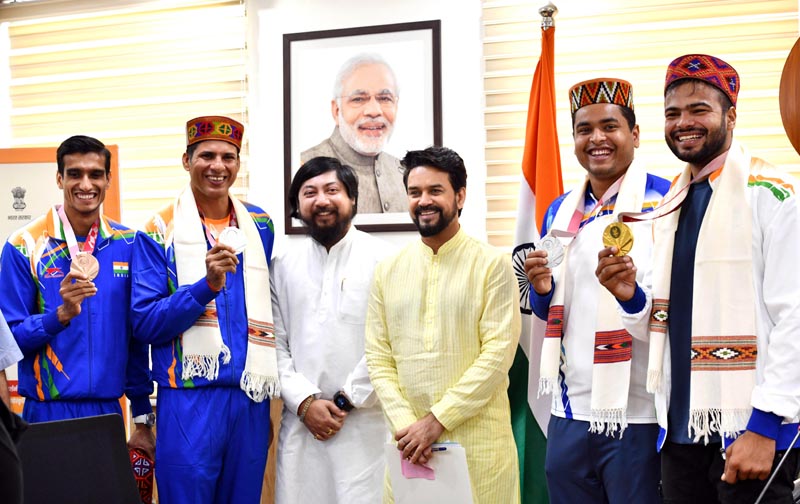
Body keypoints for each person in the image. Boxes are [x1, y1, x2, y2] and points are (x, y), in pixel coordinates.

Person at [597, 54, 800, 503]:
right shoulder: (670, 202)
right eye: (672, 113)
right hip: (681, 434)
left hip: (751, 432)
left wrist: (765, 426)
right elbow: (663, 326)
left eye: (698, 110)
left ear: (731, 114)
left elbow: (795, 319)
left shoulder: (774, 194)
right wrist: (630, 297)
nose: (683, 123)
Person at [524, 79, 669, 503]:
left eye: (610, 126)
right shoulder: (560, 208)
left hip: (638, 411)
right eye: (585, 129)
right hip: (569, 410)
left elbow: (672, 306)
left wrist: (630, 296)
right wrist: (541, 290)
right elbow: (549, 307)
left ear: (635, 134)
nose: (597, 138)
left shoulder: (666, 200)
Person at [130, 116, 278, 504]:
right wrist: (205, 287)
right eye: (207, 155)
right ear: (186, 160)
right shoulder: (157, 229)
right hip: (188, 397)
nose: (218, 166)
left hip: (250, 397)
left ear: (237, 164)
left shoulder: (259, 224)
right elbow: (145, 323)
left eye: (228, 157)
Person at [365, 146, 521, 503]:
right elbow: (378, 356)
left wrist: (436, 421)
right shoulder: (388, 271)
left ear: (460, 196)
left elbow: (497, 356)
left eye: (435, 190)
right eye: (415, 192)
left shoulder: (493, 264)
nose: (424, 201)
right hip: (410, 448)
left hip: (480, 448)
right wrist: (409, 428)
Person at [0, 135, 155, 453]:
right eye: (75, 174)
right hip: (46, 413)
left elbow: (136, 338)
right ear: (59, 178)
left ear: (108, 179)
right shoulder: (23, 246)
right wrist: (58, 317)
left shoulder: (130, 243)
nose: (86, 184)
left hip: (108, 412)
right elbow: (8, 340)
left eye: (95, 174)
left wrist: (142, 418)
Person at [272, 156, 388, 503]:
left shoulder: (384, 259)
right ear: (297, 206)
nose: (321, 200)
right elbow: (274, 345)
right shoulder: (282, 265)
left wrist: (343, 401)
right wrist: (306, 403)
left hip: (364, 428)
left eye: (332, 190)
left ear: (353, 198)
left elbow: (388, 345)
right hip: (302, 427)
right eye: (309, 192)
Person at [301, 53, 406, 213]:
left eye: (384, 98)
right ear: (336, 111)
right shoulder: (301, 167)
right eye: (358, 99)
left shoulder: (406, 173)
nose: (374, 111)